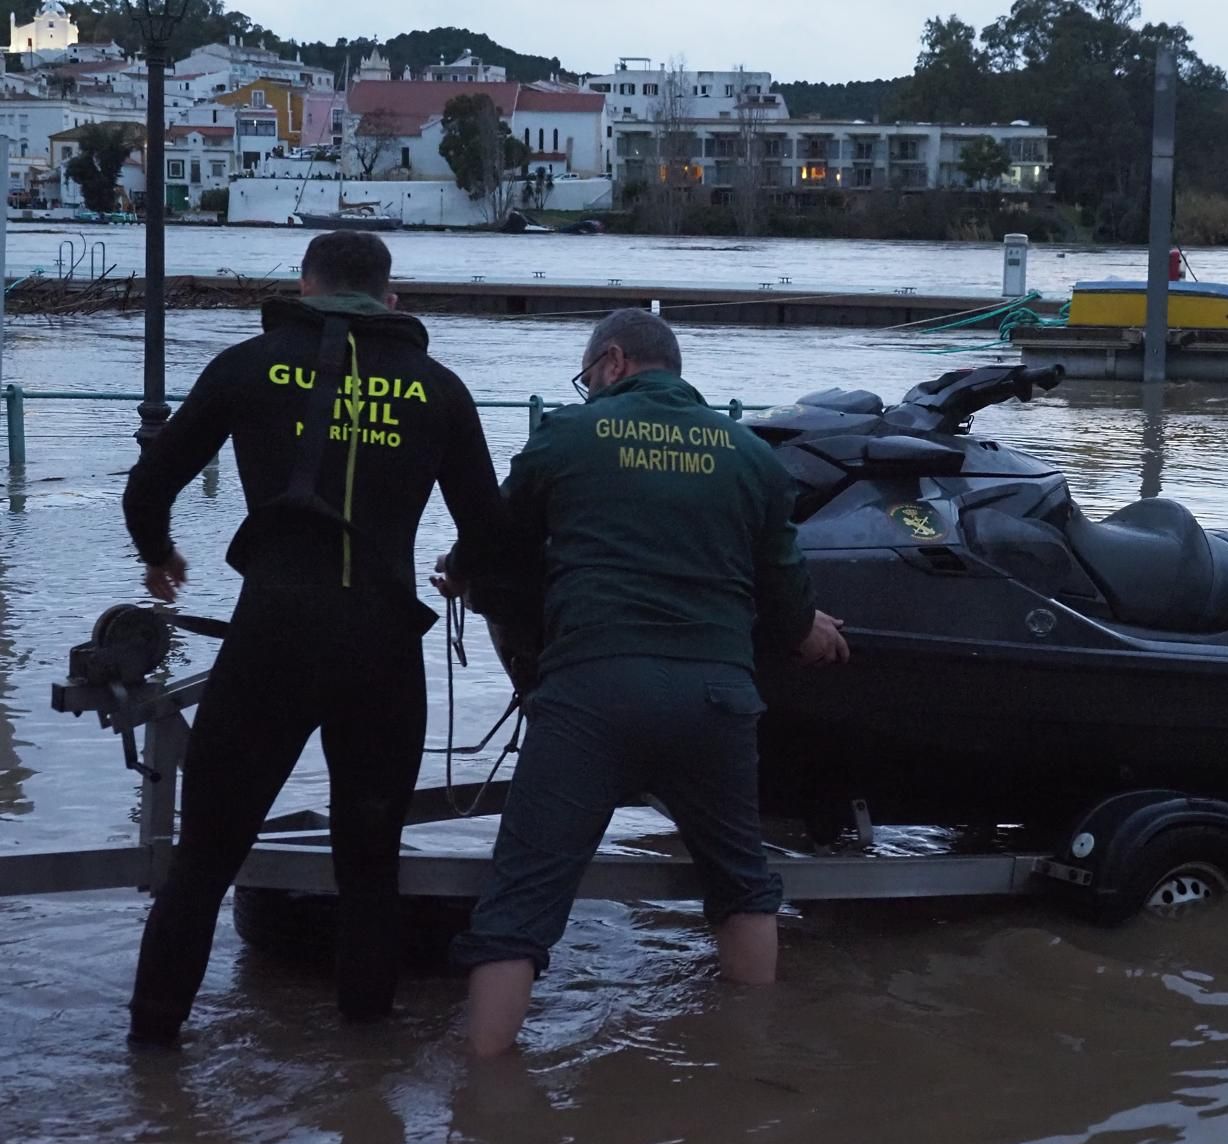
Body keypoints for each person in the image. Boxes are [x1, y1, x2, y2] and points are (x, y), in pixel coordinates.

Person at [121, 231, 509, 1046]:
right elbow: (490, 529)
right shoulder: (439, 387)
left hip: (273, 636)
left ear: (305, 287)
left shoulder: (247, 365)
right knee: (370, 862)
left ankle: (152, 1059)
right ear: (390, 297)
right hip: (382, 644)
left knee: (204, 860)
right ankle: (366, 1070)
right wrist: (462, 572)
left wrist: (159, 555)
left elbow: (148, 486)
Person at [441, 309, 848, 1057]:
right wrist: (810, 629)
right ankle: (754, 1067)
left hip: (591, 694)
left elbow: (498, 542)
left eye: (588, 375)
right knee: (743, 886)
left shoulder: (567, 435)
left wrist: (460, 572)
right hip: (716, 700)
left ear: (613, 361)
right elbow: (784, 591)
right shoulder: (751, 456)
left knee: (519, 906)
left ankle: (483, 1089)